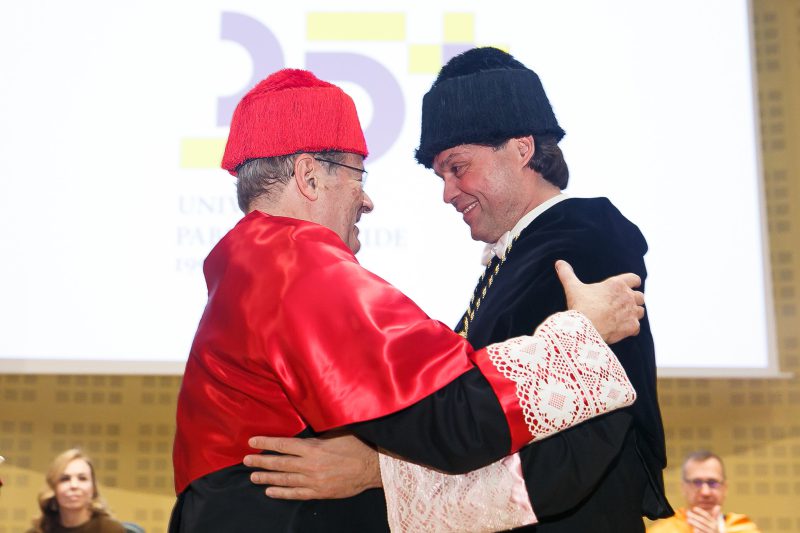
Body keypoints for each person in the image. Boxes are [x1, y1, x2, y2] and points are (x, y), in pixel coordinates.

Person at [169, 68, 646, 532]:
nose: (367, 201)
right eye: (359, 176)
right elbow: (459, 416)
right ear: (310, 177)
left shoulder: (252, 261)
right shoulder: (296, 265)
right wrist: (582, 332)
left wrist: (371, 469)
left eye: (458, 168)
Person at [648, 451, 761, 533]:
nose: (705, 492)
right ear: (683, 488)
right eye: (697, 482)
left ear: (725, 488)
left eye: (713, 482)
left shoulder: (743, 528)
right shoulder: (664, 530)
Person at [28, 448, 125, 533]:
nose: (74, 485)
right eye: (65, 479)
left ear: (93, 488)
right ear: (53, 488)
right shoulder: (39, 531)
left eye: (82, 478)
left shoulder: (110, 530)